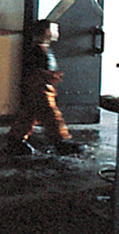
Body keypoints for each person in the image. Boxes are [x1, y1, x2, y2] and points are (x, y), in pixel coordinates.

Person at [6, 20, 80, 156]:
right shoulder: (39, 50)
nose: (57, 32)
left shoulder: (40, 48)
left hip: (40, 86)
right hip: (40, 87)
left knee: (29, 115)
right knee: (50, 114)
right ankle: (61, 142)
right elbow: (35, 71)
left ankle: (15, 140)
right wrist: (48, 78)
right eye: (54, 29)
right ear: (47, 31)